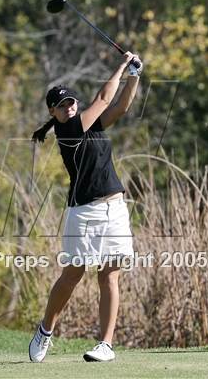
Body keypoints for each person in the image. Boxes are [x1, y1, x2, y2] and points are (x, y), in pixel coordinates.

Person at [29, 51, 143, 362]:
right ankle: (45, 330)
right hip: (84, 212)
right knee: (73, 274)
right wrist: (122, 65)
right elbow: (105, 98)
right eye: (62, 106)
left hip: (115, 207)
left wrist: (134, 75)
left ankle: (105, 344)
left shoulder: (90, 126)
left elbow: (120, 105)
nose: (69, 107)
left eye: (71, 102)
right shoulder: (67, 132)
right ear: (53, 113)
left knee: (110, 275)